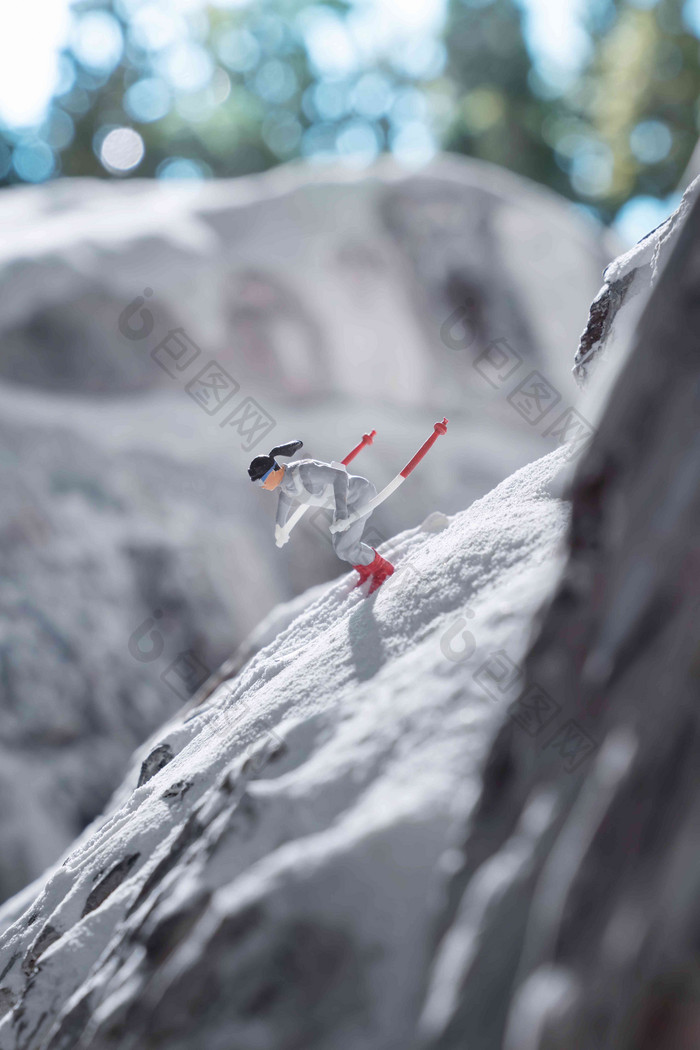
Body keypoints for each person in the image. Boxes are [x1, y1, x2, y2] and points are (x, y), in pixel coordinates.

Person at [248, 440, 394, 594]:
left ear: (272, 472)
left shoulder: (305, 472)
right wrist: (280, 528)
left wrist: (341, 513)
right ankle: (367, 571)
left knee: (346, 546)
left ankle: (383, 569)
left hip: (359, 496)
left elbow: (340, 477)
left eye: (261, 482)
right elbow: (284, 501)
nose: (262, 486)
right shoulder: (287, 485)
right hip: (345, 506)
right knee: (342, 549)